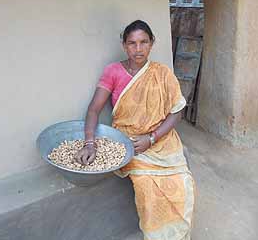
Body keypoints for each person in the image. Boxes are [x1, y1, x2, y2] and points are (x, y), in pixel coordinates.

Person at [75, 20, 195, 240]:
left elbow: (176, 112)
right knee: (145, 184)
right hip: (128, 142)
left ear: (152, 44)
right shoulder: (113, 71)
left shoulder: (162, 73)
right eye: (132, 43)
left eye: (143, 42)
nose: (138, 49)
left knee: (182, 182)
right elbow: (93, 110)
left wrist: (152, 137)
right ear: (124, 45)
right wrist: (89, 142)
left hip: (159, 139)